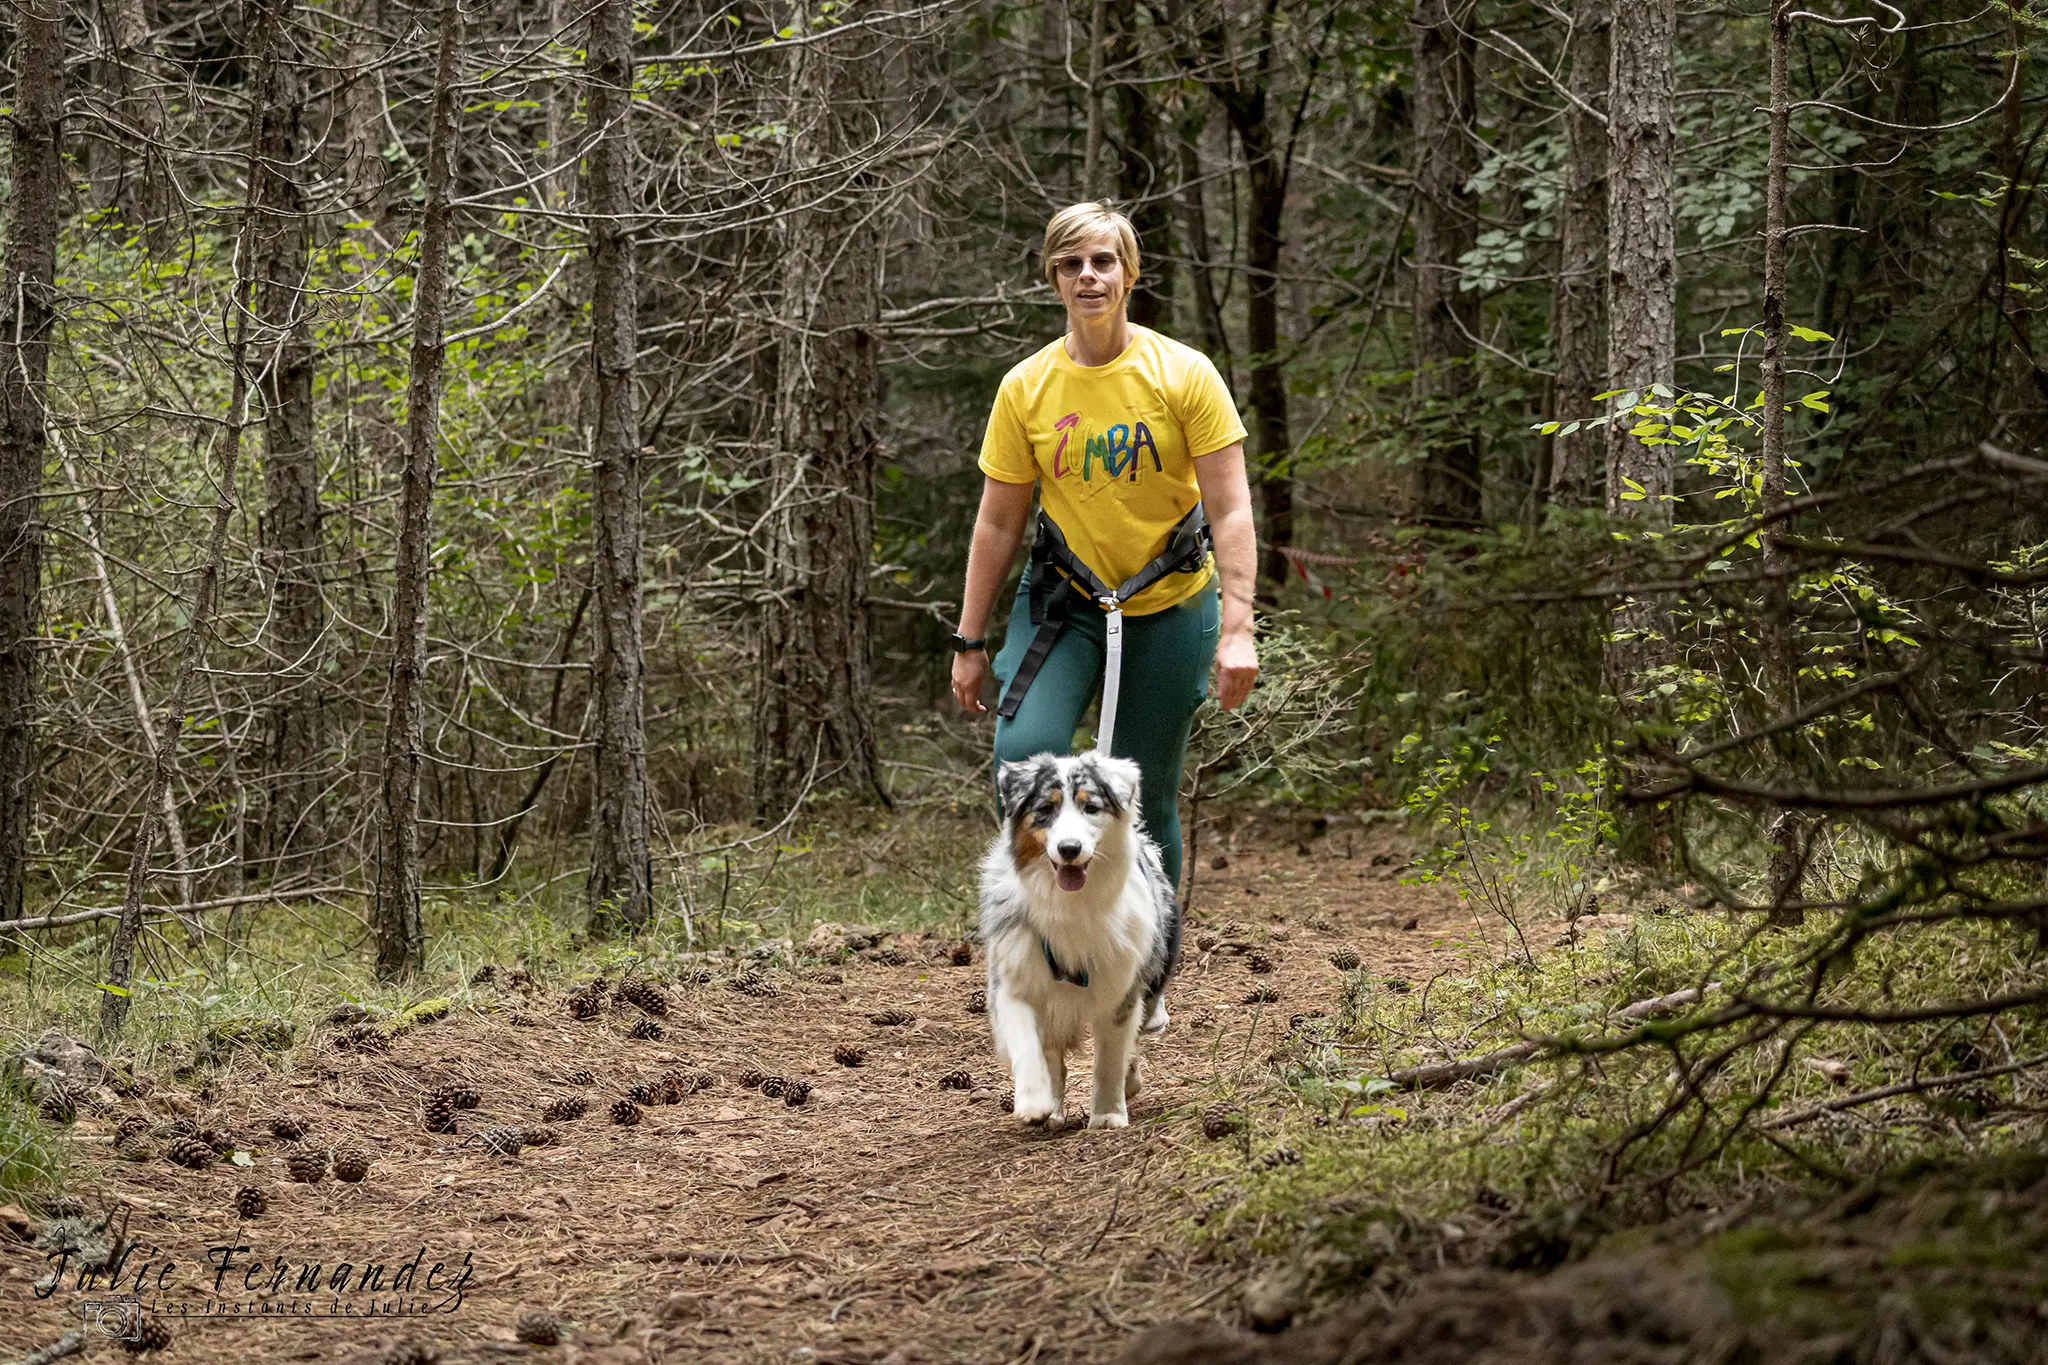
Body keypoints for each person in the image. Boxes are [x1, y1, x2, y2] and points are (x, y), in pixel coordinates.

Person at [949, 201, 1259, 894]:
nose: (1087, 276)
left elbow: (1232, 507)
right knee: (1023, 753)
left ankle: (1145, 979)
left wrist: (1236, 628)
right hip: (1067, 605)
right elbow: (997, 523)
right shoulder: (1026, 387)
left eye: (1102, 261)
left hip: (1170, 604)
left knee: (1142, 794)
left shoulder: (1183, 374)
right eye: (1070, 264)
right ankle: (1047, 943)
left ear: (1128, 273)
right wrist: (969, 639)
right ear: (1053, 278)